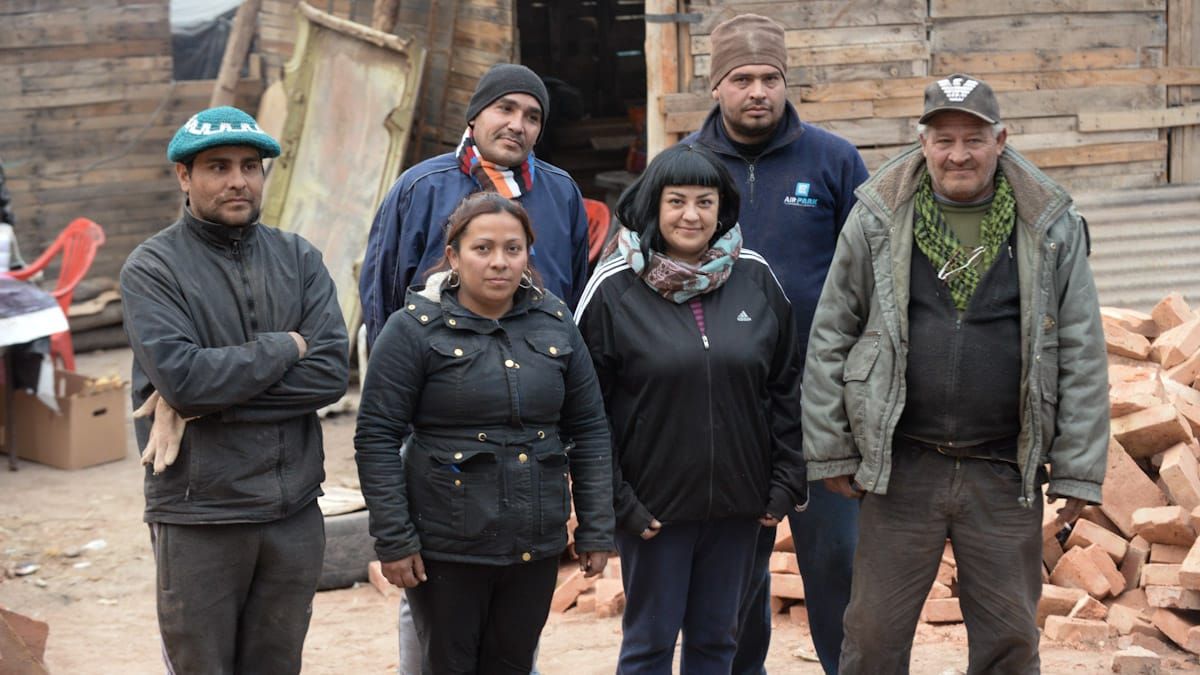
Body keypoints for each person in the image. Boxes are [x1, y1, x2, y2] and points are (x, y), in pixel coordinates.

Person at [801, 74, 1110, 672]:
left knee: (1009, 639)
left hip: (1002, 470)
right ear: (922, 143)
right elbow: (831, 333)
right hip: (901, 468)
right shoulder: (877, 218)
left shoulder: (1048, 226)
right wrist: (832, 448)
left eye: (974, 139)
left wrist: (1078, 470)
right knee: (872, 637)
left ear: (1002, 139)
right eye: (944, 139)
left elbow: (1080, 347)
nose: (959, 154)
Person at [120, 106, 350, 673]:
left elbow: (329, 375)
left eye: (251, 166)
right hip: (201, 515)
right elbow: (187, 381)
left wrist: (203, 402)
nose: (238, 180)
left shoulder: (297, 258)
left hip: (292, 511)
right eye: (218, 166)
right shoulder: (152, 268)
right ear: (184, 176)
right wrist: (284, 347)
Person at [355, 192, 615, 675]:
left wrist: (597, 527)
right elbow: (376, 437)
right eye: (483, 248)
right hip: (447, 546)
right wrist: (394, 538)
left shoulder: (555, 324)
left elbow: (590, 429)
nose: (499, 262)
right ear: (453, 255)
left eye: (513, 249)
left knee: (513, 664)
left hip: (533, 542)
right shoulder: (413, 331)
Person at [682, 13, 869, 674]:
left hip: (822, 403)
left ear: (786, 83)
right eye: (741, 78)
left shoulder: (834, 160)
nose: (757, 90)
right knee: (733, 572)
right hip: (724, 405)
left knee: (837, 560)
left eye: (770, 78)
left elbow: (874, 276)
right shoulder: (687, 165)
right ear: (716, 86)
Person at [575, 143, 807, 673]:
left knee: (717, 643)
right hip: (653, 511)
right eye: (676, 201)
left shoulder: (755, 278)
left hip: (739, 507)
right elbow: (587, 411)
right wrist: (620, 502)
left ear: (721, 209)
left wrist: (785, 481)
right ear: (654, 205)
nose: (691, 215)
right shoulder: (614, 288)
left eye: (705, 202)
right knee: (649, 646)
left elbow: (786, 386)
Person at [360, 62, 591, 349]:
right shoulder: (421, 187)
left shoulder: (562, 193)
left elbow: (577, 296)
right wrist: (395, 371)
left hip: (540, 369)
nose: (517, 125)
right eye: (505, 109)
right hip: (440, 369)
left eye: (532, 117)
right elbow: (381, 294)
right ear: (474, 115)